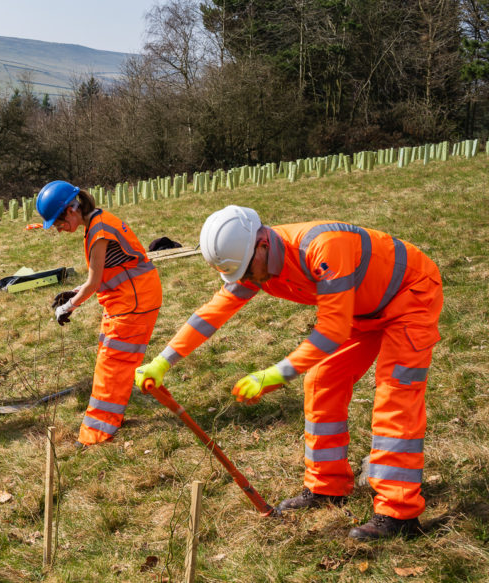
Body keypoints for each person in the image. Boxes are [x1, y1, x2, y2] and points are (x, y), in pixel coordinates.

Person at [135, 205, 443, 540]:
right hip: (361, 310)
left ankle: (398, 513)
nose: (247, 281)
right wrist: (163, 361)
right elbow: (212, 313)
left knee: (395, 394)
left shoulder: (324, 247)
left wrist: (274, 375)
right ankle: (328, 487)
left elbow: (331, 333)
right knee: (323, 382)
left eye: (247, 272)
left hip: (409, 296)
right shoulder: (254, 263)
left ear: (263, 244)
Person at [36, 180, 162, 447]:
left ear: (71, 210)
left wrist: (67, 306)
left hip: (133, 304)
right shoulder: (98, 222)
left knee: (112, 365)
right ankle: (109, 422)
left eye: (58, 224)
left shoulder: (99, 231)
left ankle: (97, 434)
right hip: (127, 300)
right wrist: (74, 292)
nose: (59, 230)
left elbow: (93, 283)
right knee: (112, 359)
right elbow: (102, 274)